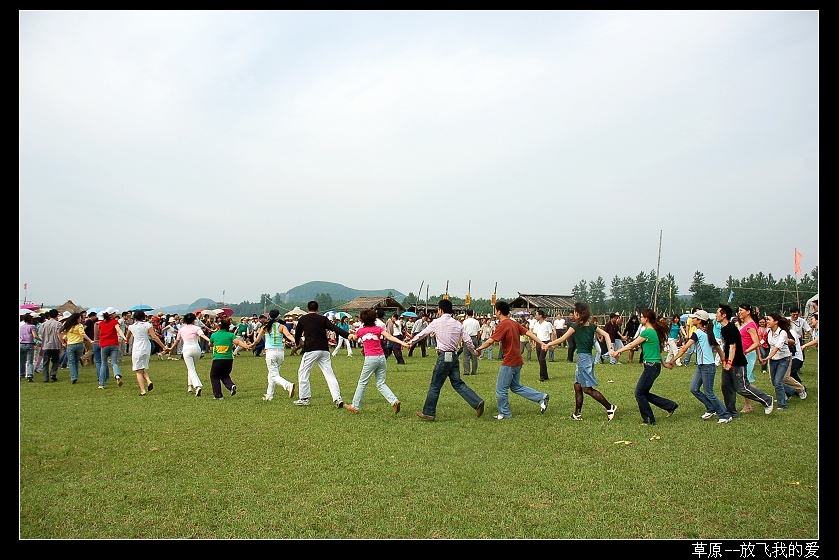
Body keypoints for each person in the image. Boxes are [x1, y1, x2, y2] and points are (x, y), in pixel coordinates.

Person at [406, 299, 485, 421]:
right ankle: (477, 402)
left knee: (435, 385)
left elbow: (422, 334)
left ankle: (429, 412)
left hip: (443, 357)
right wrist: (474, 352)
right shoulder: (458, 324)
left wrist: (410, 343)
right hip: (453, 357)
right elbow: (467, 340)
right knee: (457, 383)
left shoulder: (436, 323)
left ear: (440, 310)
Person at [474, 300, 549, 420]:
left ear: (498, 311)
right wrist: (542, 343)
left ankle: (504, 413)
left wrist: (479, 348)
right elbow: (529, 333)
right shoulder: (514, 323)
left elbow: (491, 340)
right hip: (517, 360)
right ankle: (541, 397)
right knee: (515, 387)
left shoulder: (502, 325)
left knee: (501, 388)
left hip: (509, 361)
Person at [543, 302, 617, 421]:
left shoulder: (575, 326)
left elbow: (562, 338)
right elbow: (607, 335)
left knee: (587, 389)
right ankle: (576, 414)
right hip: (585, 358)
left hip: (584, 360)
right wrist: (611, 349)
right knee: (577, 386)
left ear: (578, 314)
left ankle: (610, 407)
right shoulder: (591, 326)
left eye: (575, 312)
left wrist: (548, 344)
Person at [664, 309, 732, 423]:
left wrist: (672, 361)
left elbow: (685, 348)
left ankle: (725, 415)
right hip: (702, 366)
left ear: (700, 321)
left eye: (694, 318)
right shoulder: (706, 333)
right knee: (694, 389)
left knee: (709, 392)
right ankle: (711, 408)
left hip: (707, 366)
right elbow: (719, 349)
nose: (692, 319)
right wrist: (724, 360)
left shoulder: (699, 333)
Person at [612, 308, 678, 425]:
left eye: (642, 317)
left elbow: (632, 345)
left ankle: (648, 419)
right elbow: (657, 350)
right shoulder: (652, 332)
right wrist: (665, 364)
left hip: (651, 367)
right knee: (643, 393)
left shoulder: (648, 332)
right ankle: (670, 405)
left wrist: (617, 352)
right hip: (653, 366)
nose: (640, 318)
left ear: (646, 318)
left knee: (639, 393)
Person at [345, 308, 409, 414]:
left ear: (362, 320)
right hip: (381, 358)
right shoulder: (378, 329)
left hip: (370, 359)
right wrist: (403, 343)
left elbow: (355, 338)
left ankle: (355, 406)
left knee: (362, 383)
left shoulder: (361, 331)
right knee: (380, 383)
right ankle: (394, 401)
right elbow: (389, 337)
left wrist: (351, 335)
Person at [717, 305, 774, 416]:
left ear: (724, 315)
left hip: (737, 361)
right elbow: (726, 347)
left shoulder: (732, 328)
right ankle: (731, 412)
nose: (716, 315)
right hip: (729, 361)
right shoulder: (725, 328)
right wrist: (724, 360)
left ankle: (767, 400)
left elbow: (733, 346)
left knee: (742, 388)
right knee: (726, 387)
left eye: (718, 313)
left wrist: (730, 362)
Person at [293, 300, 351, 409]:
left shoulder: (303, 319)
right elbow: (335, 328)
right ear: (318, 309)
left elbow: (298, 333)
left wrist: (296, 343)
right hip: (324, 350)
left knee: (303, 372)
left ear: (307, 309)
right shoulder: (323, 319)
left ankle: (304, 398)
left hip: (311, 349)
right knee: (329, 374)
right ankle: (337, 398)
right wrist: (348, 335)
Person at [251, 309, 297, 402]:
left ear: (269, 317)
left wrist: (251, 345)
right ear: (278, 316)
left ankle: (287, 385)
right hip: (280, 352)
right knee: (273, 374)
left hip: (270, 353)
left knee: (274, 375)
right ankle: (269, 395)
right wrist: (295, 341)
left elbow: (257, 340)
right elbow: (288, 335)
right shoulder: (281, 326)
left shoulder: (265, 327)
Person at [208, 313, 252, 400]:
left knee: (214, 376)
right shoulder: (230, 335)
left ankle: (218, 395)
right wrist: (247, 346)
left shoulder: (214, 335)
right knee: (225, 375)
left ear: (219, 326)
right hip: (229, 359)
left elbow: (210, 344)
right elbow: (238, 342)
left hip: (218, 359)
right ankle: (231, 385)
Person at [125, 311, 168, 396]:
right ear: (144, 317)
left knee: (138, 370)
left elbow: (127, 337)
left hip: (137, 348)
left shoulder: (131, 327)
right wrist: (163, 346)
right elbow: (154, 337)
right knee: (141, 367)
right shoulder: (148, 325)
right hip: (146, 347)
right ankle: (148, 381)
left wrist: (126, 340)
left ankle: (143, 390)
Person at [758, 313, 795, 411]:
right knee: (774, 382)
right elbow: (764, 342)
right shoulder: (769, 331)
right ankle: (791, 391)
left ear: (776, 322)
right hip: (773, 360)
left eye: (769, 319)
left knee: (778, 382)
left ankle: (782, 404)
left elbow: (777, 347)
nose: (767, 321)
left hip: (784, 359)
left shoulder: (782, 333)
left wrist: (767, 357)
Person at [172, 312, 212, 396]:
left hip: (187, 349)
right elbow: (202, 336)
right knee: (191, 368)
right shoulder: (196, 328)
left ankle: (197, 386)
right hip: (197, 349)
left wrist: (171, 349)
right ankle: (190, 386)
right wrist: (210, 341)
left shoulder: (181, 329)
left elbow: (177, 340)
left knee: (191, 368)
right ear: (194, 320)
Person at [736, 304, 761, 414]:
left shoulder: (750, 325)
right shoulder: (743, 324)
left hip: (748, 355)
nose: (739, 312)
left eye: (741, 310)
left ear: (748, 312)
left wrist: (746, 351)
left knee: (745, 382)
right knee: (745, 381)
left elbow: (756, 343)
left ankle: (761, 399)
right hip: (743, 355)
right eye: (739, 310)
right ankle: (749, 404)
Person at [98, 307, 128, 389]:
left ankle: (101, 384)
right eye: (115, 313)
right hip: (114, 344)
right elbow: (118, 330)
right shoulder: (114, 322)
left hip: (104, 345)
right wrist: (124, 338)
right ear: (112, 314)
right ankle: (117, 375)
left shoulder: (101, 324)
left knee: (103, 364)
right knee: (114, 363)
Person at [61, 312, 94, 384]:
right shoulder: (79, 326)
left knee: (71, 362)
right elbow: (83, 334)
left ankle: (73, 377)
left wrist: (64, 342)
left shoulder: (68, 326)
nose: (81, 319)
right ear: (77, 319)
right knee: (76, 361)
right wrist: (90, 340)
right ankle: (75, 375)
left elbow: (65, 336)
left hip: (70, 345)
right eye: (80, 318)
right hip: (79, 344)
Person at [39, 309, 65, 383]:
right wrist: (62, 342)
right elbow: (60, 334)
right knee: (56, 360)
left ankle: (45, 378)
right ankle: (53, 373)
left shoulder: (44, 324)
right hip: (55, 345)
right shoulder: (58, 324)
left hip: (46, 345)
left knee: (45, 362)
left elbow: (40, 333)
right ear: (57, 315)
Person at [531, 309, 555, 382]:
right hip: (538, 342)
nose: (536, 316)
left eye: (537, 315)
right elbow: (535, 334)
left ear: (540, 316)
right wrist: (533, 344)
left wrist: (553, 343)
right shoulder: (536, 324)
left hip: (545, 342)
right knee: (540, 360)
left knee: (541, 359)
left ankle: (542, 376)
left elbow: (551, 334)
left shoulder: (547, 324)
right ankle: (545, 375)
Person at [20, 313, 41, 381]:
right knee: (30, 361)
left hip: (21, 343)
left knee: (22, 360)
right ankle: (29, 374)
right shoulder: (32, 326)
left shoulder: (21, 327)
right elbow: (35, 336)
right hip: (29, 344)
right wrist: (41, 339)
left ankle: (21, 374)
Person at [461, 309, 481, 375]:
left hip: (467, 338)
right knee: (474, 356)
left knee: (466, 355)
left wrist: (462, 340)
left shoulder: (465, 322)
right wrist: (477, 340)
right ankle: (474, 371)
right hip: (474, 337)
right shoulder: (476, 322)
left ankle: (467, 371)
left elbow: (463, 332)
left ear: (467, 314)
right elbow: (478, 332)